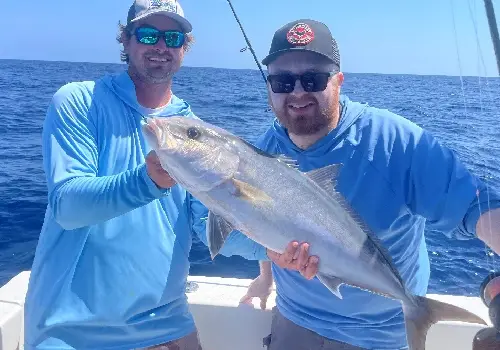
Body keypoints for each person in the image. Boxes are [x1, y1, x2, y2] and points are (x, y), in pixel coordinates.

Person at [23, 2, 318, 350]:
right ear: (126, 40)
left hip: (166, 326)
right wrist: (146, 181)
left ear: (185, 46)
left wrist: (272, 250)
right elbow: (68, 206)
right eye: (148, 34)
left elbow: (210, 224)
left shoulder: (193, 129)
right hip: (71, 331)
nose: (161, 46)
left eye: (173, 37)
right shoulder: (79, 102)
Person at [239, 19, 500, 350]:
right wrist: (266, 272)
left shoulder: (396, 142)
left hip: (378, 337)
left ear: (339, 82)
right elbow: (257, 217)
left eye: (313, 79)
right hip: (295, 322)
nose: (298, 92)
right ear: (269, 87)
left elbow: (476, 205)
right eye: (282, 81)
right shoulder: (263, 149)